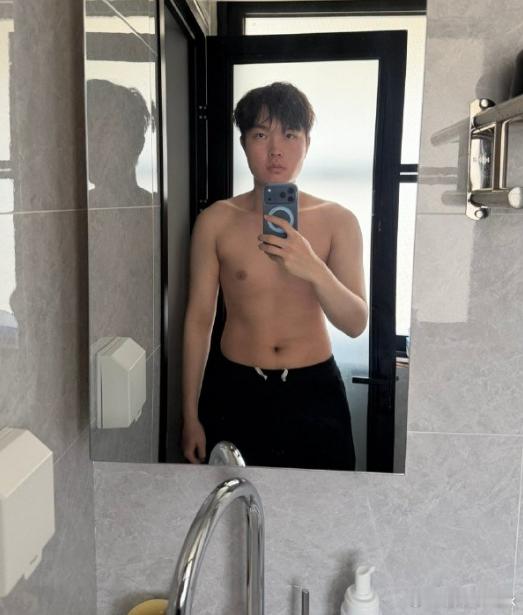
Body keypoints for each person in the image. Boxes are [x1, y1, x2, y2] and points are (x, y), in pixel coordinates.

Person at [181, 82, 367, 470]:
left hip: (314, 391)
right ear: (244, 143)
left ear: (307, 143)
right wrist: (189, 415)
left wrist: (312, 267)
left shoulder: (338, 221)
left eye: (290, 134)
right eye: (261, 135)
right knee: (233, 499)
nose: (275, 149)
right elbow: (199, 320)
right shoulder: (216, 221)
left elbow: (355, 324)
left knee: (322, 502)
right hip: (235, 388)